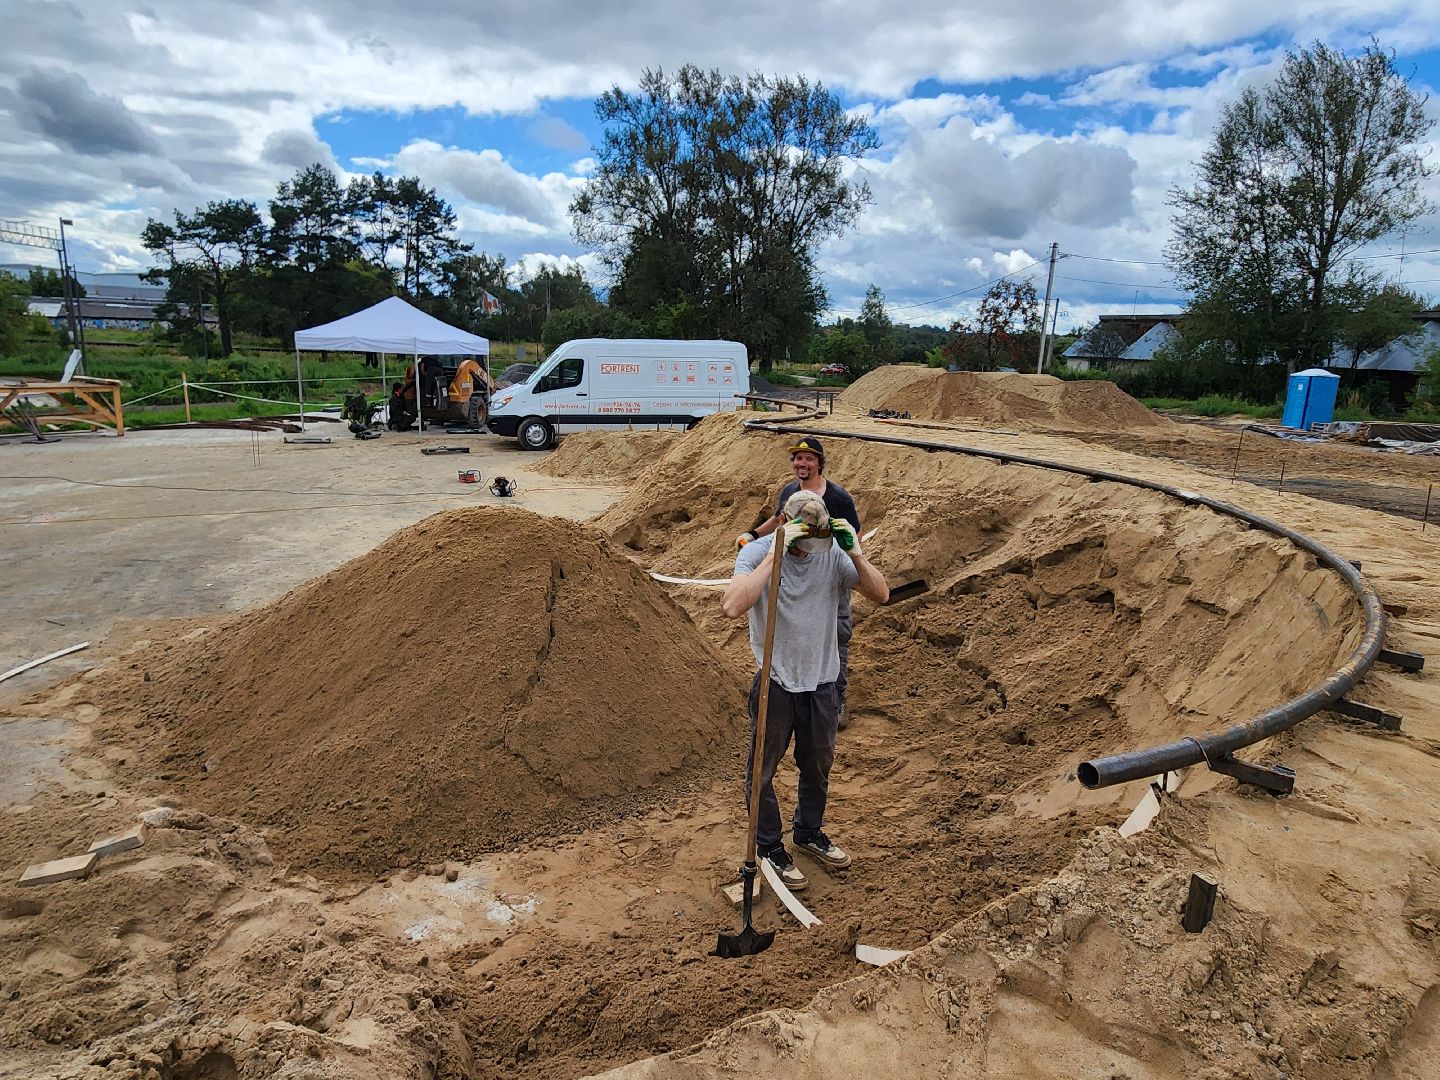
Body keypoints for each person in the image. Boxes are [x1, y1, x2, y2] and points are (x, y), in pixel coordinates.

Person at [722, 489, 889, 891]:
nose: (810, 551)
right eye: (803, 543)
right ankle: (768, 845)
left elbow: (881, 594)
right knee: (762, 771)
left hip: (822, 681)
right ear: (784, 523)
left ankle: (808, 831)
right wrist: (775, 555)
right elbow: (732, 605)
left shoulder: (831, 551)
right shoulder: (758, 551)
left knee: (817, 765)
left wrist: (856, 554)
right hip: (776, 682)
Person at [736, 437, 861, 729]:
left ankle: (836, 695)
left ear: (819, 463)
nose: (801, 464)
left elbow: (852, 536)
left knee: (836, 633)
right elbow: (779, 520)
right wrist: (752, 536)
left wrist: (846, 559)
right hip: (792, 571)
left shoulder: (838, 498)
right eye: (797, 459)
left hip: (829, 576)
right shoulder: (790, 491)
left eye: (808, 459)